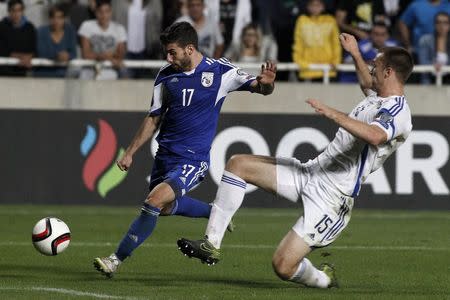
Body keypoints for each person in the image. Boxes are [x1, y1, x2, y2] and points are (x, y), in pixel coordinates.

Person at [178, 32, 413, 289]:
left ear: (389, 72)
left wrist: (333, 113)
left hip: (332, 199)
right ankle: (211, 244)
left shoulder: (398, 111)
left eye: (376, 66)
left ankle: (324, 279)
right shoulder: (378, 96)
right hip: (311, 172)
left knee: (282, 266)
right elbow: (367, 81)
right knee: (238, 164)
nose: (371, 69)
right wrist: (355, 53)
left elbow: (376, 136)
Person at [93, 21, 277, 278]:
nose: (168, 58)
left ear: (189, 49)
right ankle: (215, 211)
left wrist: (267, 83)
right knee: (164, 207)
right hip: (165, 155)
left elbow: (260, 88)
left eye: (173, 52)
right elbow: (153, 117)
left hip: (193, 160)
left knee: (153, 201)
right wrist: (130, 151)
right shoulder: (166, 75)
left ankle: (114, 260)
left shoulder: (221, 71)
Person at [292, 0, 341, 81]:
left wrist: (335, 61)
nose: (315, 8)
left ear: (323, 7)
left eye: (318, 5)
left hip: (328, 69)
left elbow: (336, 43)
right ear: (308, 7)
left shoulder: (330, 20)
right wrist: (299, 62)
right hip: (307, 69)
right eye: (312, 5)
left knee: (327, 94)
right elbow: (298, 43)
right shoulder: (302, 20)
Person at [78, 0, 128, 80]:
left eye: (107, 11)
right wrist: (105, 56)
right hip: (88, 72)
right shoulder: (86, 26)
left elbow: (120, 55)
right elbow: (86, 54)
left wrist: (98, 56)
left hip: (110, 73)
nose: (104, 15)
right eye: (100, 12)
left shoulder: (119, 29)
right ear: (95, 12)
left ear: (111, 12)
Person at [35, 4, 77, 78]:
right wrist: (57, 56)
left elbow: (73, 54)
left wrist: (68, 56)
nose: (56, 21)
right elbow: (41, 53)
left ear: (64, 19)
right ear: (49, 19)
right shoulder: (41, 31)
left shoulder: (70, 31)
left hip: (63, 76)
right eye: (53, 17)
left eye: (59, 18)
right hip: (42, 75)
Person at [0, 0, 36, 76]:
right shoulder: (2, 27)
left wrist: (29, 56)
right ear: (9, 12)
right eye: (13, 10)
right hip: (4, 72)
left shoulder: (30, 28)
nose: (16, 14)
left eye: (19, 10)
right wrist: (18, 56)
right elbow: (2, 49)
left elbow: (34, 48)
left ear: (23, 11)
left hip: (24, 72)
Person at [417, 11, 450, 84]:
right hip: (429, 78)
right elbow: (423, 61)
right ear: (434, 25)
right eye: (438, 22)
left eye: (445, 23)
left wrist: (443, 67)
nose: (442, 26)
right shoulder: (425, 40)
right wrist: (433, 65)